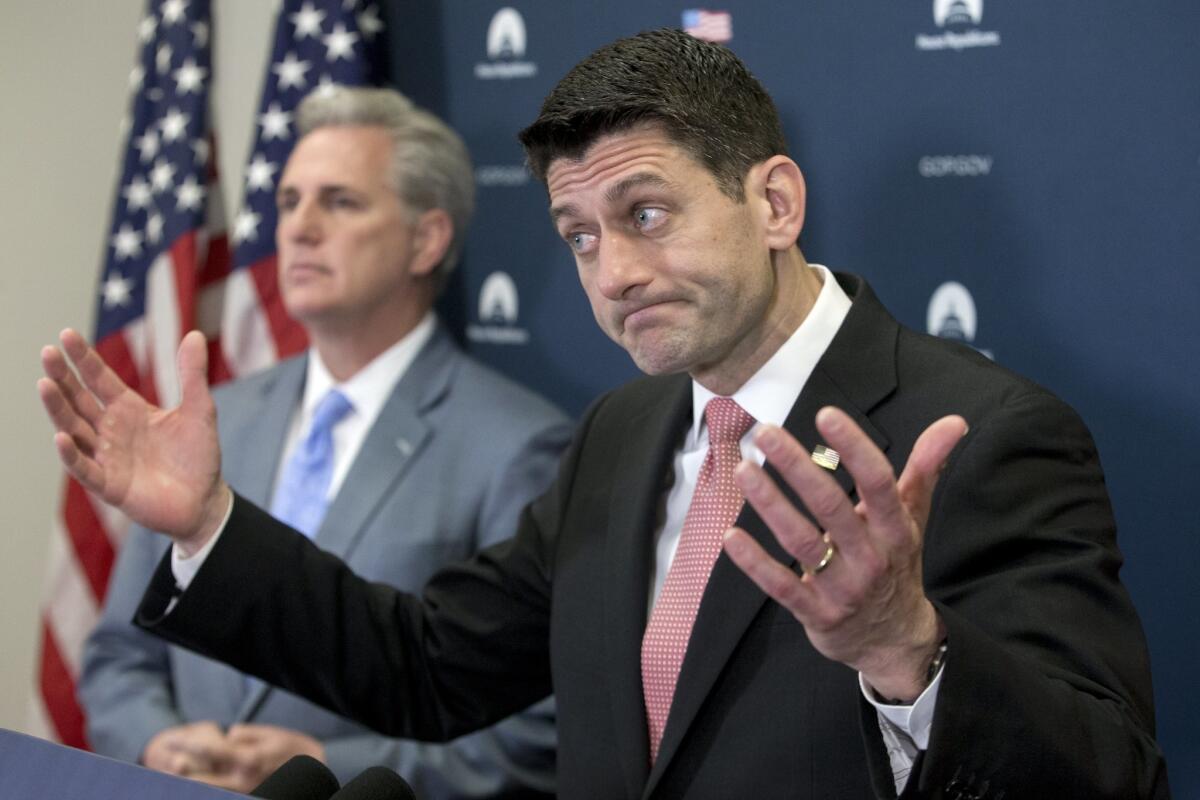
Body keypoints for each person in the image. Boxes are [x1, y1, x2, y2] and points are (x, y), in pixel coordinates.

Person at [40, 29, 1169, 799]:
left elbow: (1110, 771)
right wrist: (207, 522)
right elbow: (427, 664)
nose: (614, 270)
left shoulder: (987, 430)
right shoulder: (621, 435)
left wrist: (907, 650)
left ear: (773, 201)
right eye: (581, 234)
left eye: (646, 212)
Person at [74, 86, 569, 798]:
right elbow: (118, 653)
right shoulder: (214, 421)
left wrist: (326, 763)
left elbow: (536, 730)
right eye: (288, 202)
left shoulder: (517, 446)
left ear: (427, 239)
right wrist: (157, 742)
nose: (299, 228)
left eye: (340, 202)